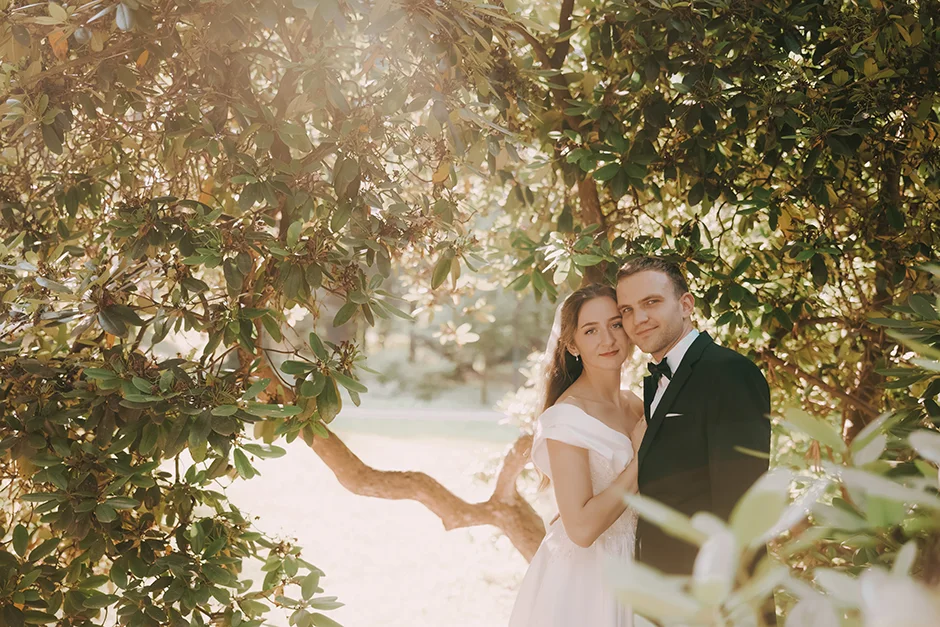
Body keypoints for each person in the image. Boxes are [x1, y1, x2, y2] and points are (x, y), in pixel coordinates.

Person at [615, 257, 771, 579]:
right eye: (627, 310)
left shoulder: (729, 373)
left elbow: (740, 508)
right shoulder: (655, 382)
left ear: (686, 305)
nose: (638, 318)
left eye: (651, 302)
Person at [509, 283, 646, 627]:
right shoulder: (566, 417)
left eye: (615, 324)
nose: (608, 340)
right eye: (591, 330)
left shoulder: (635, 405)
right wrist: (641, 459)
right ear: (572, 344)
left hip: (639, 565)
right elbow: (582, 529)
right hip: (589, 576)